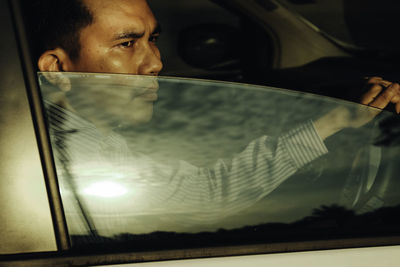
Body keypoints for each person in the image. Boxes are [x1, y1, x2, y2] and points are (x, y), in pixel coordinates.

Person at [22, 0, 400, 236]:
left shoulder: (67, 138)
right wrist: (333, 125)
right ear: (56, 70)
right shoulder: (77, 158)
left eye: (152, 38)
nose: (155, 63)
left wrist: (334, 122)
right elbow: (209, 194)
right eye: (126, 44)